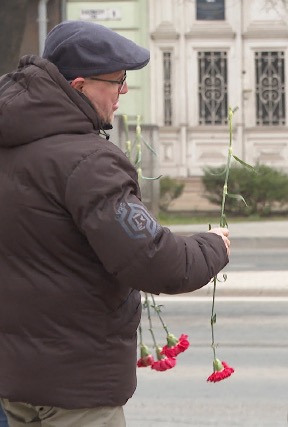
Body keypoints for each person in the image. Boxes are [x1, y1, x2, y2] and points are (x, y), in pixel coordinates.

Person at [0, 21, 230, 426]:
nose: (123, 90)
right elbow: (156, 261)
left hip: (13, 386)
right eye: (118, 80)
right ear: (79, 85)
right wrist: (213, 246)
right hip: (75, 390)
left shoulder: (11, 144)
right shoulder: (87, 162)